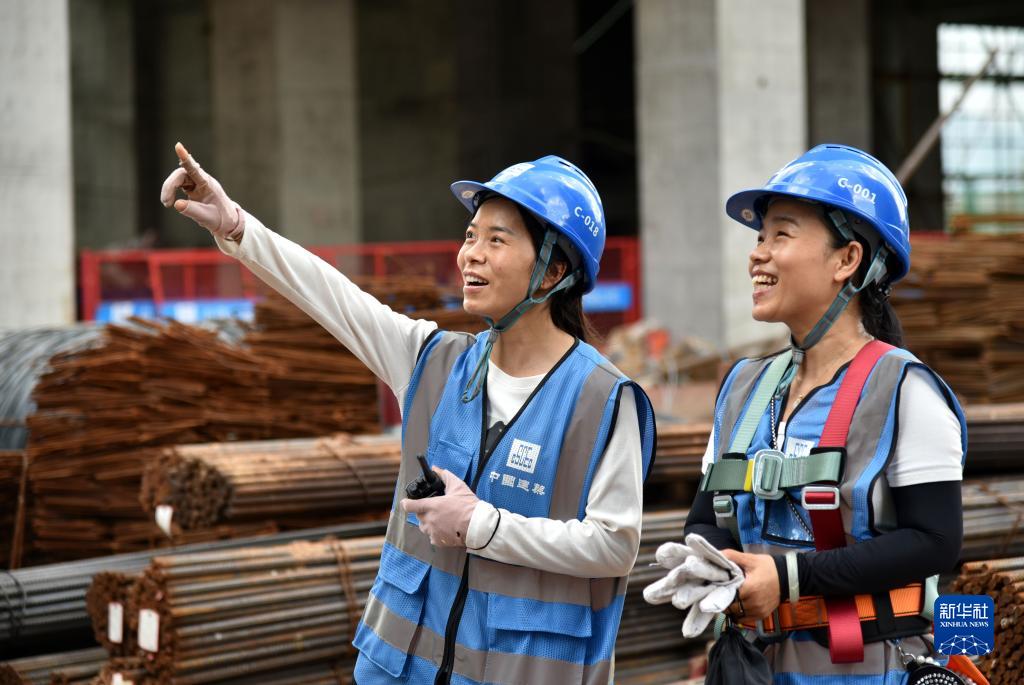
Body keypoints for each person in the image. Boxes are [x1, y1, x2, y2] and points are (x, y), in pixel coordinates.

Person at [160, 145, 656, 685]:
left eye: (497, 239)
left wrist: (481, 526)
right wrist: (237, 227)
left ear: (553, 270)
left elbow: (614, 545)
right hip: (397, 671)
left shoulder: (604, 399)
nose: (471, 254)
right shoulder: (432, 362)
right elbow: (333, 297)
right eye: (471, 235)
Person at [684, 144, 967, 682]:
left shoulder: (903, 391)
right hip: (754, 663)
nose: (757, 254)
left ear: (847, 260)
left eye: (781, 235)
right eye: (760, 236)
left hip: (864, 665)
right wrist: (717, 569)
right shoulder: (743, 389)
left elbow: (936, 541)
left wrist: (788, 579)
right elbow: (706, 517)